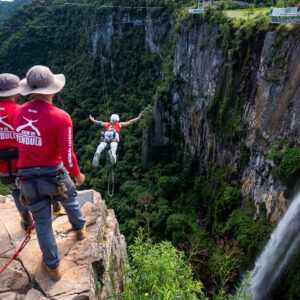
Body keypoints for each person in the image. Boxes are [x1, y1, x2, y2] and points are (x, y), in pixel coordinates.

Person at [14, 65, 86, 281]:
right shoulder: (61, 117)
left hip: (27, 179)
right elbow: (67, 155)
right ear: (53, 89)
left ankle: (53, 267)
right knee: (71, 200)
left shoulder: (18, 112)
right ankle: (80, 229)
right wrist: (78, 175)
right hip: (54, 176)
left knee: (43, 224)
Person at [0, 73, 33, 230]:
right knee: (31, 188)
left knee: (15, 190)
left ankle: (26, 219)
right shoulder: (21, 110)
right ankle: (44, 214)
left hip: (2, 164)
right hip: (23, 160)